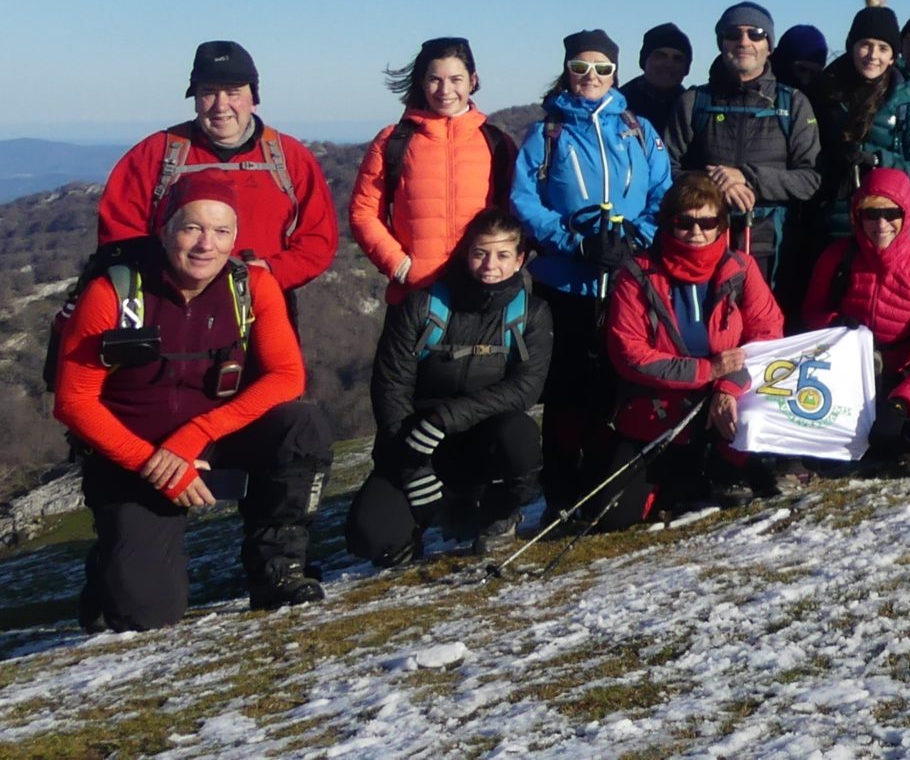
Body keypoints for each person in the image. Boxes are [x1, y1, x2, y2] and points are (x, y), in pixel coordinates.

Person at [54, 174, 331, 629]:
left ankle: (277, 570)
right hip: (135, 458)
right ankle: (107, 572)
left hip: (213, 438)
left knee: (303, 424)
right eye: (192, 228)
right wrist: (155, 464)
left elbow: (287, 376)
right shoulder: (113, 294)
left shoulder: (252, 287)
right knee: (146, 613)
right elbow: (73, 402)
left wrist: (196, 436)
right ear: (165, 230)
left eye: (222, 232)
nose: (207, 244)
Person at [509, 29, 673, 521]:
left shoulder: (639, 129)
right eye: (581, 68)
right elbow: (523, 201)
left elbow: (663, 193)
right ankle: (560, 488)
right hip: (565, 282)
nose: (591, 77)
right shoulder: (547, 133)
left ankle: (603, 485)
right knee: (565, 390)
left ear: (616, 73)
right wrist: (574, 240)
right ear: (567, 72)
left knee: (615, 383)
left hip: (625, 279)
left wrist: (634, 240)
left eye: (602, 68)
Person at [345, 207, 551, 564]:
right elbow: (390, 388)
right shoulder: (421, 305)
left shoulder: (531, 313)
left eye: (503, 255)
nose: (490, 265)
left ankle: (499, 513)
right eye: (480, 253)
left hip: (479, 438)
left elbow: (525, 388)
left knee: (520, 436)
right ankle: (429, 519)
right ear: (465, 253)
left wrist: (444, 418)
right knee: (373, 540)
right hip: (415, 442)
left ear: (519, 261)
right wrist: (413, 469)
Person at [597, 173, 785, 527]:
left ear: (721, 226)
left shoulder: (741, 269)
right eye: (684, 222)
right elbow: (629, 354)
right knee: (616, 517)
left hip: (726, 400)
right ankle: (680, 480)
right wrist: (706, 371)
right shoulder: (636, 275)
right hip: (657, 409)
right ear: (668, 224)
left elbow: (768, 334)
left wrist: (727, 384)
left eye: (707, 222)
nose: (696, 232)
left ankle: (729, 468)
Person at [96, 42, 340, 310]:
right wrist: (173, 275)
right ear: (196, 100)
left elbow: (318, 239)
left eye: (233, 93)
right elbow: (119, 234)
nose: (221, 105)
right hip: (172, 307)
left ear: (253, 100)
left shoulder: (290, 158)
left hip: (265, 305)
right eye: (209, 93)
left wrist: (269, 272)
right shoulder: (155, 154)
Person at [800, 169, 910, 474]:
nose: (881, 224)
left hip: (903, 374)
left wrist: (904, 401)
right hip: (848, 375)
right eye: (871, 214)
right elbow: (810, 315)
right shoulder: (837, 257)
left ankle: (904, 439)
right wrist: (836, 322)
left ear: (907, 214)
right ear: (857, 216)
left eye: (891, 213)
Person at [792, 0, 910, 314]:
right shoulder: (823, 92)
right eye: (865, 45)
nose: (873, 55)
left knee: (880, 310)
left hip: (886, 227)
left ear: (893, 54)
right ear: (851, 45)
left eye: (883, 48)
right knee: (826, 309)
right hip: (829, 224)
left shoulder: (907, 101)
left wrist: (880, 161)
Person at [665, 1, 824, 285]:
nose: (744, 42)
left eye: (756, 33)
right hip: (701, 242)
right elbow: (665, 171)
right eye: (733, 34)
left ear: (770, 46)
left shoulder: (794, 103)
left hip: (772, 250)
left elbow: (809, 179)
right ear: (720, 42)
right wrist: (714, 183)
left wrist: (747, 178)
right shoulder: (693, 102)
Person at [351, 37, 517, 305]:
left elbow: (513, 214)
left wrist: (503, 266)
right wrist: (399, 265)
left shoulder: (496, 143)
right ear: (421, 82)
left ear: (472, 81)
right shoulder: (394, 141)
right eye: (435, 79)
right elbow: (364, 212)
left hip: (482, 293)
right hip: (416, 295)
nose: (445, 90)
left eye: (455, 79)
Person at [625, 22, 693, 135]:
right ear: (645, 60)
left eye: (677, 59)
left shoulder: (692, 110)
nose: (668, 64)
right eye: (660, 56)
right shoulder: (620, 104)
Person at [775, 24, 830, 95]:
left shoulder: (822, 96)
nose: (805, 81)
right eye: (801, 69)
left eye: (814, 73)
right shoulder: (761, 89)